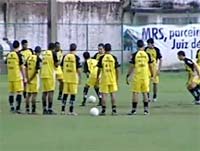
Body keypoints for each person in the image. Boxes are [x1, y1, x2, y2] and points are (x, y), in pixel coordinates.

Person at [126, 40, 154, 115]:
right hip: (145, 76)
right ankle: (146, 110)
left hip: (137, 76)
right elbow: (151, 66)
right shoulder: (147, 54)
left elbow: (131, 67)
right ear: (143, 46)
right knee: (145, 93)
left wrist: (128, 75)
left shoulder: (135, 55)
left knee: (135, 93)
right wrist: (152, 75)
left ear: (137, 46)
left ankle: (134, 110)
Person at [97, 43, 120, 116]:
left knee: (104, 95)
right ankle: (114, 110)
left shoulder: (101, 58)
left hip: (104, 79)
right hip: (112, 78)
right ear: (110, 49)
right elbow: (117, 70)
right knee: (112, 94)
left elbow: (99, 69)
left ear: (104, 49)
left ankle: (103, 111)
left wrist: (97, 77)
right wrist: (117, 78)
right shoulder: (114, 57)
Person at [6, 40, 27, 113]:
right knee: (19, 92)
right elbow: (22, 67)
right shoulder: (19, 55)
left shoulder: (8, 55)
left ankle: (12, 107)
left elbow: (7, 64)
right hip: (17, 77)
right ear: (19, 46)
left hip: (10, 76)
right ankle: (18, 108)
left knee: (11, 92)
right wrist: (25, 78)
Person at [60, 43, 81, 115]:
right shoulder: (76, 57)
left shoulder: (65, 56)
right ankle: (71, 111)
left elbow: (62, 67)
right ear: (75, 49)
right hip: (73, 79)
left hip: (65, 78)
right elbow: (78, 69)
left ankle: (62, 110)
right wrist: (80, 77)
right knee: (72, 95)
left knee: (65, 94)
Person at [40, 43, 59, 114]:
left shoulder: (43, 53)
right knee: (51, 91)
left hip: (43, 74)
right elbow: (56, 65)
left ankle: (44, 109)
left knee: (44, 92)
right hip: (50, 74)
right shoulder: (53, 53)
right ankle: (50, 109)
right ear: (53, 48)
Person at [25, 46, 42, 114]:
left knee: (28, 94)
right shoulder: (38, 59)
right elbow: (36, 71)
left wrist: (27, 78)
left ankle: (27, 109)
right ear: (39, 52)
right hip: (34, 79)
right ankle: (33, 110)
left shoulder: (29, 58)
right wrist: (31, 78)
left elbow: (26, 68)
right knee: (34, 95)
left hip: (28, 78)